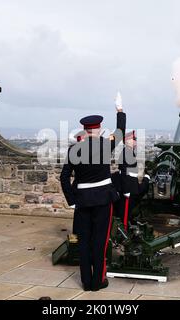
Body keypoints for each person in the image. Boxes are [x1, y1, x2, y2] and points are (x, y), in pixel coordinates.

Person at [60, 110, 125, 291]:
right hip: (103, 199)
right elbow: (120, 131)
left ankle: (86, 282)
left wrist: (71, 200)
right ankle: (98, 281)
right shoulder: (105, 145)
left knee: (84, 242)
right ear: (99, 129)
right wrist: (120, 111)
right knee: (100, 241)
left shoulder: (73, 149)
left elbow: (64, 177)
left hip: (82, 201)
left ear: (84, 130)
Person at [113, 129, 150, 231]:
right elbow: (125, 173)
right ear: (128, 140)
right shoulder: (126, 153)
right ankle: (123, 232)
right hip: (128, 187)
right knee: (124, 213)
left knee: (127, 212)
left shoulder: (129, 152)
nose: (135, 141)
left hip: (131, 185)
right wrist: (126, 191)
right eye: (134, 139)